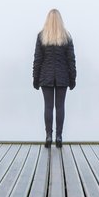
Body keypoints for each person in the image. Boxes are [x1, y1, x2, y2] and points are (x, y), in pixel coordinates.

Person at [32, 8, 76, 148]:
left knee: (48, 107)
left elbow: (37, 60)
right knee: (60, 106)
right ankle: (59, 137)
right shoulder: (66, 36)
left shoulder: (42, 36)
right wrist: (73, 78)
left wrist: (35, 78)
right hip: (63, 77)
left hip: (46, 76)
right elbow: (71, 60)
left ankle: (48, 136)